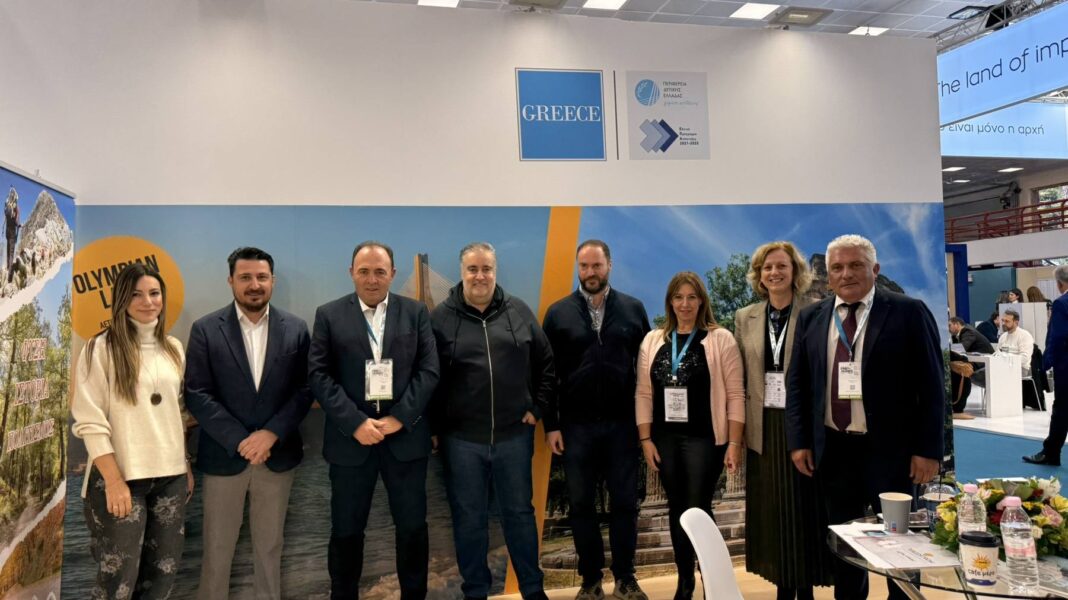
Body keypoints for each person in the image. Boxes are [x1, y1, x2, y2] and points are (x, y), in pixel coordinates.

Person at [785, 234, 943, 600]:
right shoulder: (811, 317)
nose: (846, 274)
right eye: (837, 267)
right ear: (828, 274)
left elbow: (932, 386)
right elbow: (798, 384)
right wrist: (799, 442)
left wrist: (928, 450)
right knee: (846, 549)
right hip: (834, 451)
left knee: (901, 547)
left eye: (856, 265)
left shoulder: (908, 311)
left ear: (874, 268)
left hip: (892, 452)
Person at [309, 241, 440, 600]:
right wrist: (355, 423)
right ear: (351, 272)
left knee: (413, 530)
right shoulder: (328, 315)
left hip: (405, 441)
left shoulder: (416, 312)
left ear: (393, 274)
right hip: (351, 443)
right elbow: (319, 375)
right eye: (364, 271)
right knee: (346, 533)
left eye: (380, 271)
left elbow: (429, 371)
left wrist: (400, 417)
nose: (372, 279)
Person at [184, 247, 313, 600]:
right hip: (225, 457)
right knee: (217, 550)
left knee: (270, 548)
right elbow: (197, 393)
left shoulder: (296, 329)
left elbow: (305, 389)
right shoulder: (206, 329)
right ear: (231, 281)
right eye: (245, 277)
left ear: (272, 280)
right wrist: (242, 440)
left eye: (261, 277)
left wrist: (271, 433)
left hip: (277, 455)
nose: (254, 285)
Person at [430, 242, 554, 600]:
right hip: (461, 441)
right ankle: (476, 592)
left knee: (519, 516)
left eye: (486, 269)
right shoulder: (440, 318)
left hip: (514, 437)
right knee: (469, 520)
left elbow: (546, 364)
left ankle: (533, 590)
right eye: (473, 269)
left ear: (495, 271)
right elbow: (428, 378)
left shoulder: (519, 310)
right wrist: (435, 429)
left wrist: (538, 408)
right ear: (462, 272)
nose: (480, 276)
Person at [71, 263, 193, 599]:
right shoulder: (100, 349)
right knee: (118, 581)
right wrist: (114, 481)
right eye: (136, 294)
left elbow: (177, 413)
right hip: (121, 478)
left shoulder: (174, 348)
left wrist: (185, 464)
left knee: (162, 575)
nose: (147, 302)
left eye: (154, 293)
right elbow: (90, 421)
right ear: (122, 299)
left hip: (170, 478)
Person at [542, 240, 651, 600]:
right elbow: (546, 374)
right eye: (584, 266)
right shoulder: (557, 313)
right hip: (576, 428)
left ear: (609, 266)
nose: (590, 272)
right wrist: (551, 424)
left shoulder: (633, 309)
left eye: (597, 265)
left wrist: (645, 425)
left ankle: (625, 578)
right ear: (578, 267)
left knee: (625, 504)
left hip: (622, 426)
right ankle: (590, 581)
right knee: (581, 506)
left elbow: (647, 369)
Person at [635, 271, 744, 600]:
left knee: (698, 507)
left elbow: (736, 394)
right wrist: (645, 439)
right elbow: (643, 393)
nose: (685, 304)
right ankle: (685, 582)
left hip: (704, 438)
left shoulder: (720, 338)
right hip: (665, 438)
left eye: (692, 297)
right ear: (670, 302)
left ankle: (712, 579)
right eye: (678, 297)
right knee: (677, 509)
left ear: (701, 301)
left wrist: (734, 443)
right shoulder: (653, 340)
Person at [734, 242, 830, 600]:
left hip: (802, 426)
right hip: (762, 429)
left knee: (804, 512)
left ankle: (805, 589)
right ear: (759, 275)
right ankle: (782, 588)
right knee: (772, 513)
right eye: (767, 267)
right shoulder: (745, 317)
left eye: (781, 266)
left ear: (795, 271)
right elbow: (741, 378)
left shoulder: (815, 311)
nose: (774, 273)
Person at [1024, 265, 1068, 466]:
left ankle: (1051, 452)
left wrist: (1047, 362)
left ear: (1059, 284)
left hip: (1065, 365)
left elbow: (1057, 337)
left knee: (1062, 409)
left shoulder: (1061, 303)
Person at [948, 316, 994, 415]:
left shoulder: (968, 331)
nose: (948, 328)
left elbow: (961, 349)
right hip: (976, 360)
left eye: (950, 325)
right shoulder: (958, 335)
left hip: (984, 363)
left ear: (957, 324)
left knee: (959, 369)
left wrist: (946, 347)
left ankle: (958, 405)